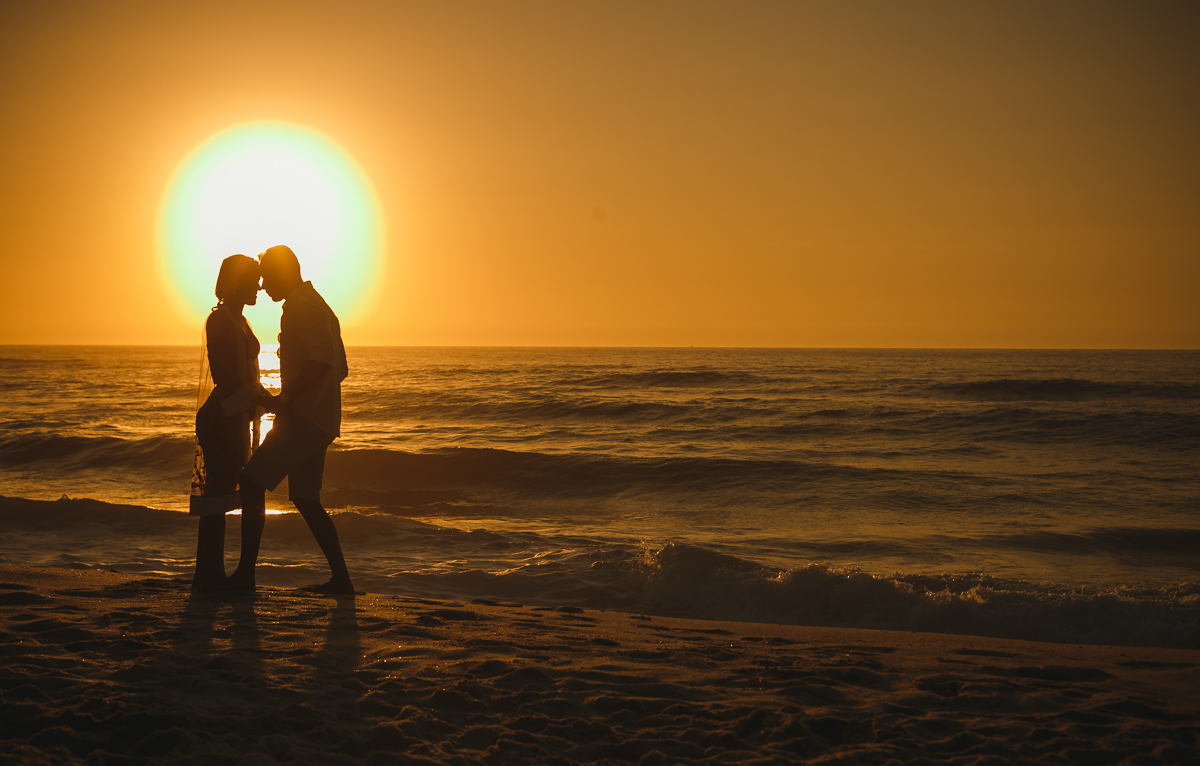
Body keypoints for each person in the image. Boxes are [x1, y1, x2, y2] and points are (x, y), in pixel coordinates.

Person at [227, 245, 354, 595]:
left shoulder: (303, 307)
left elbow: (324, 361)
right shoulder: (318, 305)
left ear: (284, 274)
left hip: (304, 418)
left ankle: (244, 577)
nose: (264, 285)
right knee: (306, 499)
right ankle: (341, 580)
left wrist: (289, 397)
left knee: (252, 483)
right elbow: (340, 368)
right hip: (320, 419)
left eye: (268, 277)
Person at [189, 254, 269, 591]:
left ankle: (215, 575)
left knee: (223, 497)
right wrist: (263, 397)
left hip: (237, 418)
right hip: (222, 419)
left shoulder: (240, 320)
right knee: (217, 500)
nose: (260, 287)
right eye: (254, 280)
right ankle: (210, 575)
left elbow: (246, 374)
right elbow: (225, 376)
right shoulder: (220, 320)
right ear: (236, 282)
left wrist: (261, 397)